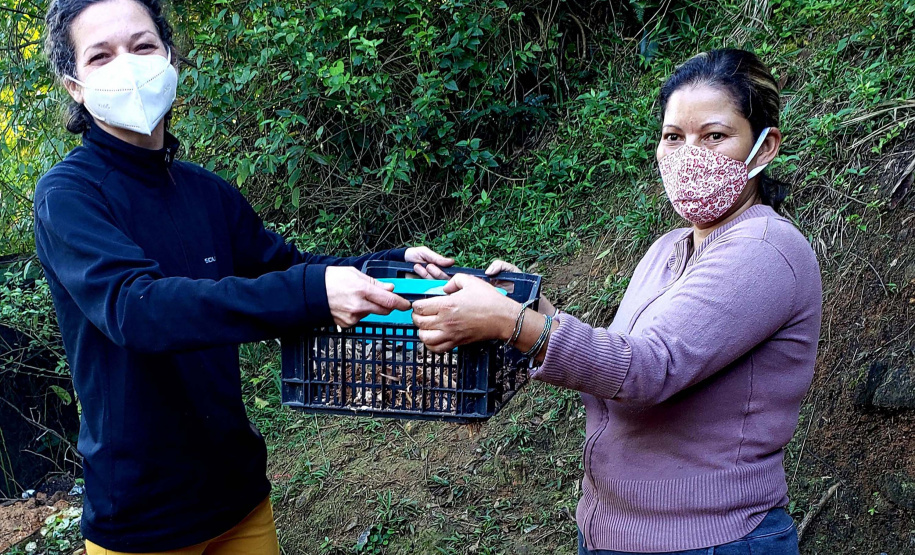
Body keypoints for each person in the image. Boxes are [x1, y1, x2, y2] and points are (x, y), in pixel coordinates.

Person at [35, 0, 452, 553]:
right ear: (75, 87)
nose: (128, 66)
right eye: (101, 56)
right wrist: (309, 293)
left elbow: (289, 269)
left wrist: (388, 265)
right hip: (140, 519)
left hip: (240, 499)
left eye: (142, 47)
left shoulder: (205, 191)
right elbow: (137, 309)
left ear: (170, 57)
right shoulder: (68, 195)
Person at [412, 49, 823, 555]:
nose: (689, 154)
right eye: (674, 137)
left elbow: (648, 370)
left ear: (763, 149)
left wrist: (511, 323)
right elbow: (619, 355)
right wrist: (532, 309)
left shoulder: (765, 249)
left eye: (714, 136)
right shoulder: (668, 250)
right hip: (616, 530)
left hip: (709, 538)